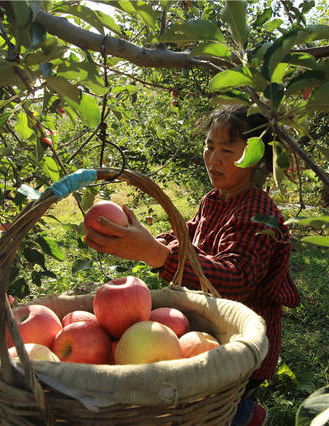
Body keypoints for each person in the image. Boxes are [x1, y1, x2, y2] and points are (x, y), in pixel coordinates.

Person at [84, 104, 300, 426]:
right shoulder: (215, 198)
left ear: (256, 156)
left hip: (242, 347)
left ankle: (245, 416)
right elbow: (186, 234)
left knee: (228, 405)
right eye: (210, 146)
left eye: (227, 149)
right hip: (208, 332)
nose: (213, 158)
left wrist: (156, 254)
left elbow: (236, 280)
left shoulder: (259, 214)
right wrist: (140, 241)